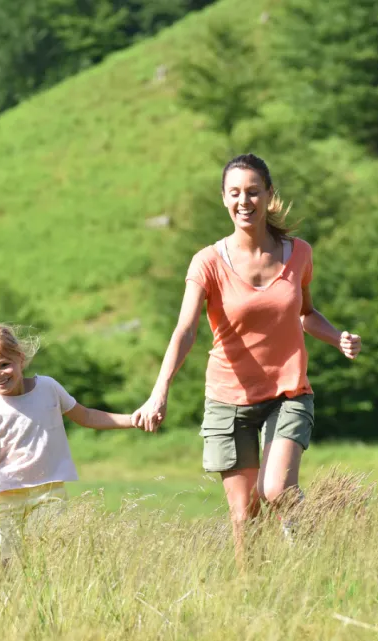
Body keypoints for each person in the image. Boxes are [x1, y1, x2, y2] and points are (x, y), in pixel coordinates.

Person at [132, 153, 361, 563]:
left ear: (269, 196)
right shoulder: (207, 262)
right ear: (223, 199)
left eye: (254, 192)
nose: (245, 201)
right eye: (235, 193)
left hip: (287, 392)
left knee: (275, 491)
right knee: (244, 514)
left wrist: (337, 337)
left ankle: (314, 554)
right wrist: (159, 390)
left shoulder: (299, 254)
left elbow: (306, 314)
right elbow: (185, 330)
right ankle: (249, 591)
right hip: (228, 396)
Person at [0, 324, 136, 562]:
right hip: (8, 498)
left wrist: (133, 419)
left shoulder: (48, 388)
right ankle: (14, 599)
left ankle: (52, 598)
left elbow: (87, 416)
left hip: (49, 492)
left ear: (20, 358)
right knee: (13, 564)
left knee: (49, 557)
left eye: (4, 364)